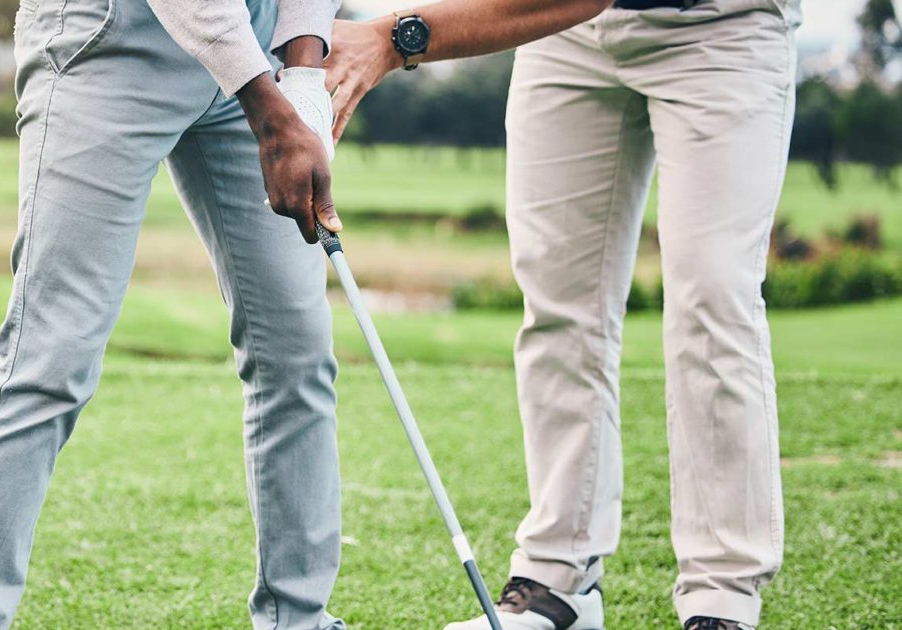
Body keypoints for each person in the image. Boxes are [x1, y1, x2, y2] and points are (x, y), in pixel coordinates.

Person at [323, 0, 801, 628]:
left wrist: (397, 37)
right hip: (566, 36)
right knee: (557, 302)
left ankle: (722, 599)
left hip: (720, 25)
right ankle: (558, 583)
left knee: (714, 299)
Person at [0, 0, 353, 628]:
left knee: (298, 352)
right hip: (116, 37)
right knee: (51, 361)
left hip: (258, 46)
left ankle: (300, 620)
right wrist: (270, 109)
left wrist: (304, 77)